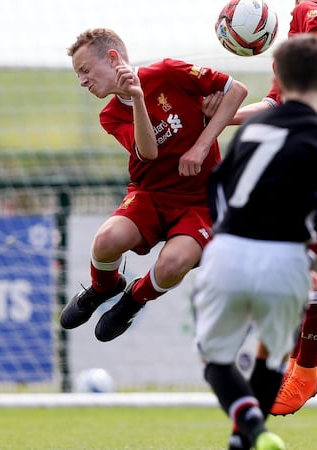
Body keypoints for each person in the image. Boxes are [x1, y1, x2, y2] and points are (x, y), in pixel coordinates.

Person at [193, 33, 317, 450]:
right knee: (273, 357)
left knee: (216, 360)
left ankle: (248, 430)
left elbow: (218, 187)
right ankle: (253, 434)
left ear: (275, 76)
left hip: (227, 250)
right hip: (285, 260)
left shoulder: (254, 127)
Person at [59, 28, 247, 342]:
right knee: (106, 240)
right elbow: (149, 151)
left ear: (113, 58)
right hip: (150, 195)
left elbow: (236, 90)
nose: (82, 81)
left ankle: (133, 300)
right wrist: (136, 98)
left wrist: (202, 146)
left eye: (85, 70)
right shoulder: (110, 115)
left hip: (200, 201)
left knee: (174, 263)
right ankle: (104, 288)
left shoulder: (168, 72)